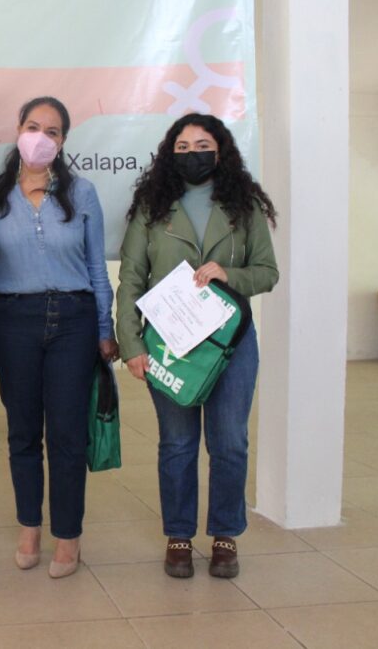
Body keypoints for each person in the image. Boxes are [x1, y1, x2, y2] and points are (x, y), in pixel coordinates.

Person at [116, 113, 279, 579]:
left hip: (231, 344)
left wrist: (230, 275)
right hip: (170, 345)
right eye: (183, 148)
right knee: (178, 444)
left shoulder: (244, 205)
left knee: (230, 443)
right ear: (170, 154)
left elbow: (267, 272)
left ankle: (226, 534)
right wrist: (131, 343)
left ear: (221, 151)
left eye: (203, 146)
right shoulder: (152, 206)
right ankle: (179, 536)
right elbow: (131, 278)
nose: (193, 155)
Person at [0, 96, 117, 579]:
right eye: (33, 126)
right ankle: (29, 527)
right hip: (13, 318)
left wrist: (105, 328)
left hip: (74, 320)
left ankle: (68, 535)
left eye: (52, 131)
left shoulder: (82, 193)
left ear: (63, 141)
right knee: (22, 432)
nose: (41, 137)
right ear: (18, 129)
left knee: (67, 434)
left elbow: (97, 267)